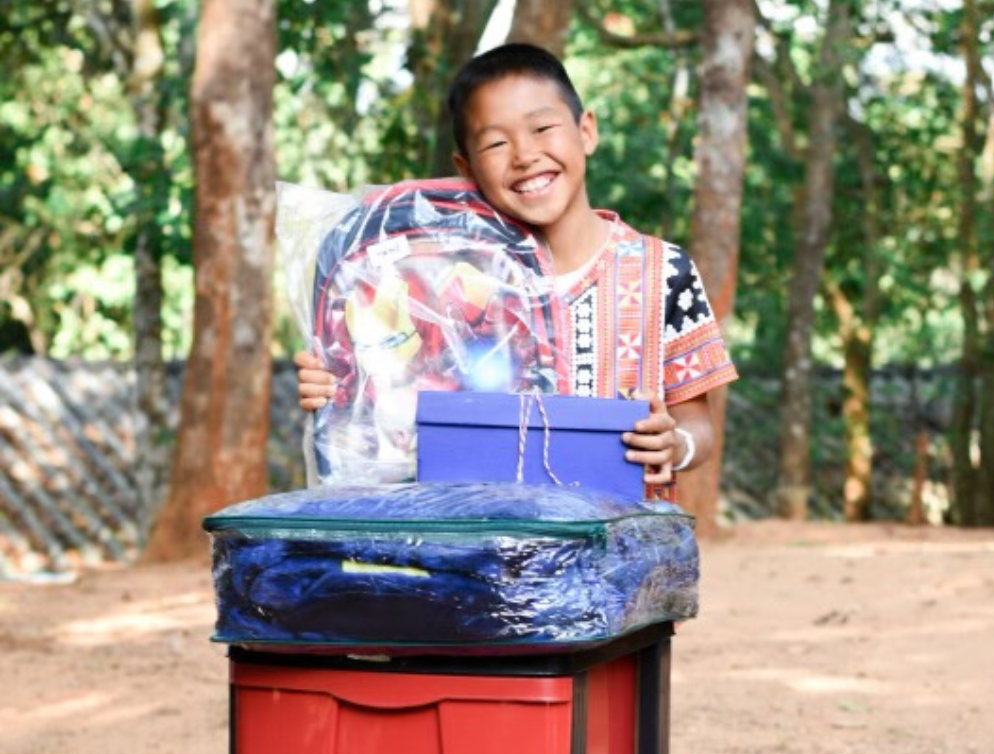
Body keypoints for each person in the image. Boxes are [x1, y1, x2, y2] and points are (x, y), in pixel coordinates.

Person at [295, 42, 737, 494]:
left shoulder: (662, 269)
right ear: (466, 167)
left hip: (620, 551)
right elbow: (390, 394)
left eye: (542, 127)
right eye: (496, 143)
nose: (525, 155)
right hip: (484, 550)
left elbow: (697, 422)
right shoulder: (443, 281)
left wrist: (673, 444)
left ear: (586, 131)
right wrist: (340, 385)